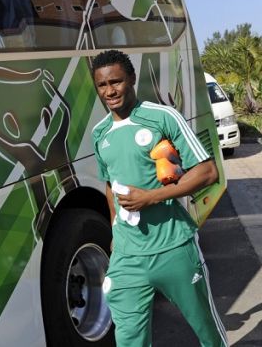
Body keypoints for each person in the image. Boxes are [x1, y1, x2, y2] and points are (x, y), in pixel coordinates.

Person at [90, 50, 228, 347]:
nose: (110, 91)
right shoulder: (99, 133)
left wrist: (151, 197)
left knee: (207, 331)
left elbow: (207, 172)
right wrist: (115, 229)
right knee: (128, 339)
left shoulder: (161, 117)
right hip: (128, 256)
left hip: (174, 247)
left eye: (116, 82)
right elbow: (110, 185)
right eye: (102, 85)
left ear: (132, 80)